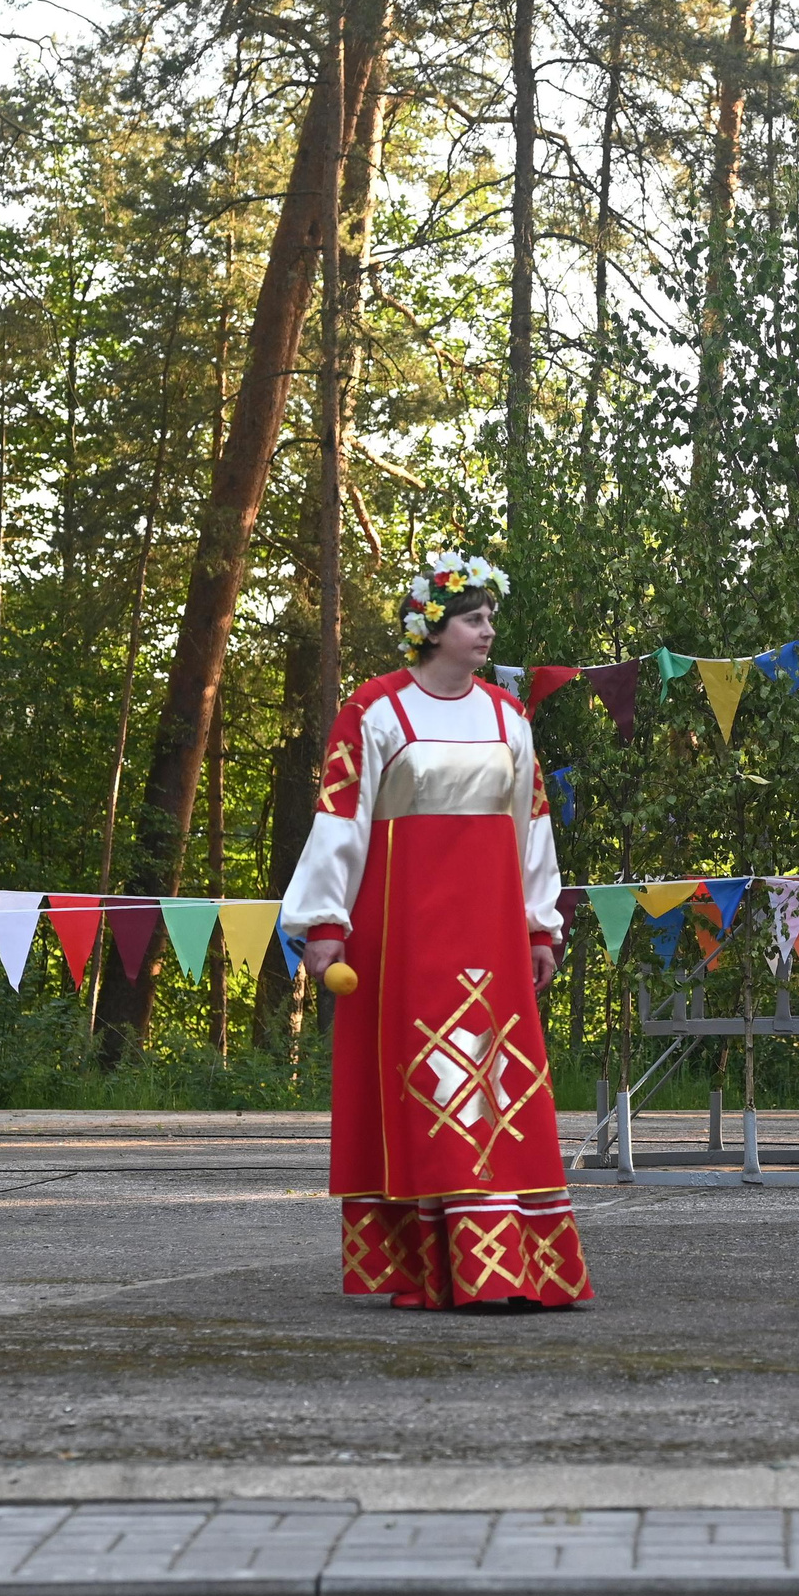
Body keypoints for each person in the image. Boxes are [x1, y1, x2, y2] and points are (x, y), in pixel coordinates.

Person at [279, 549, 591, 1309]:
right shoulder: (375, 710)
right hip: (404, 936)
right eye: (474, 618)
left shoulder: (508, 716)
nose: (488, 630)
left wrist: (540, 926)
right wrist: (324, 923)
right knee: (432, 1085)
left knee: (496, 1087)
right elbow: (339, 821)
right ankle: (449, 1266)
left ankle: (500, 1264)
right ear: (432, 626)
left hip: (490, 935)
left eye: (489, 617)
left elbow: (532, 828)